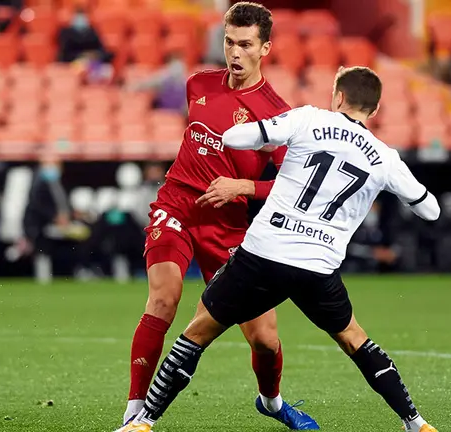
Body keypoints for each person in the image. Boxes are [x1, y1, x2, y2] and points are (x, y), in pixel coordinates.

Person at [116, 66, 441, 432]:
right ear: (376, 110)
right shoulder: (385, 157)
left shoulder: (307, 119)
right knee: (354, 339)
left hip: (264, 251)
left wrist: (249, 156)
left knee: (202, 334)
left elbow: (238, 136)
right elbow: (430, 210)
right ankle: (416, 423)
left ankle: (146, 423)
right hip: (317, 264)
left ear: (338, 97)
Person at [122, 2, 317, 430]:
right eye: (229, 41)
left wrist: (244, 186)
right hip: (177, 206)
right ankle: (136, 414)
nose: (235, 52)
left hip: (229, 226)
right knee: (164, 298)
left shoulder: (276, 115)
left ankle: (271, 402)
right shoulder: (199, 84)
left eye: (245, 44)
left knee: (264, 340)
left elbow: (299, 187)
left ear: (265, 48)